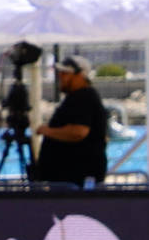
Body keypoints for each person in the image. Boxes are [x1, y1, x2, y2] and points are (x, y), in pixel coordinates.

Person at [33, 54, 107, 188]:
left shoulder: (84, 97)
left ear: (80, 75)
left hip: (75, 180)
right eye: (60, 73)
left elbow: (79, 132)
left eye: (66, 73)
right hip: (66, 179)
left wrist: (47, 131)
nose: (61, 77)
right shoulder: (76, 97)